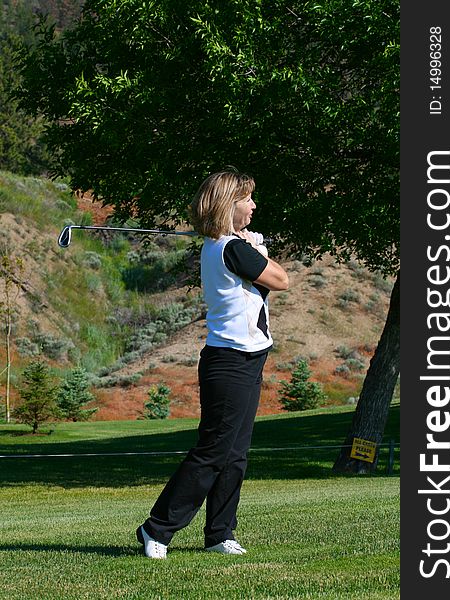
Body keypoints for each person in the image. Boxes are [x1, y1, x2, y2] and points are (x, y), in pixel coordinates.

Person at [136, 170, 289, 559]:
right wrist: (257, 250)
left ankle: (220, 533)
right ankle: (157, 529)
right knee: (213, 450)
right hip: (230, 360)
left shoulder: (231, 245)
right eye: (247, 200)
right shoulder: (233, 249)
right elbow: (281, 280)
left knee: (235, 453)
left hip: (249, 357)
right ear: (228, 204)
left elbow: (264, 280)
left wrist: (251, 245)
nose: (253, 206)